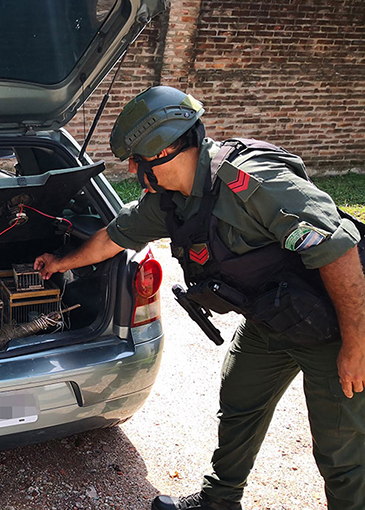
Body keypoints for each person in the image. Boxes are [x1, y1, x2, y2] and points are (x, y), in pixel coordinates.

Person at [35, 86, 365, 510]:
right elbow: (114, 236)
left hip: (335, 329)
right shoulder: (170, 203)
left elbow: (337, 250)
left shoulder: (253, 181)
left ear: (164, 150)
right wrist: (60, 262)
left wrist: (356, 345)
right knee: (239, 404)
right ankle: (219, 501)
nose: (132, 168)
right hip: (270, 321)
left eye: (136, 157)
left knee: (340, 452)